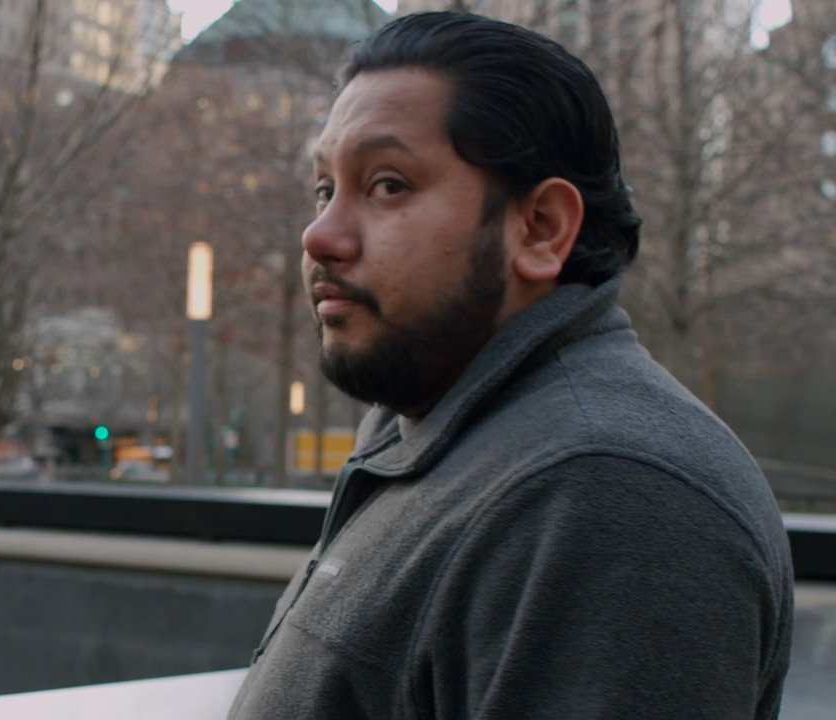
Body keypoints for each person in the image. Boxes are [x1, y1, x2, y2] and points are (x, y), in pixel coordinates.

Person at [229, 12, 793, 720]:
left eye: (388, 184)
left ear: (541, 228)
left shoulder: (605, 491)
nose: (320, 236)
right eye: (323, 190)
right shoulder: (439, 432)